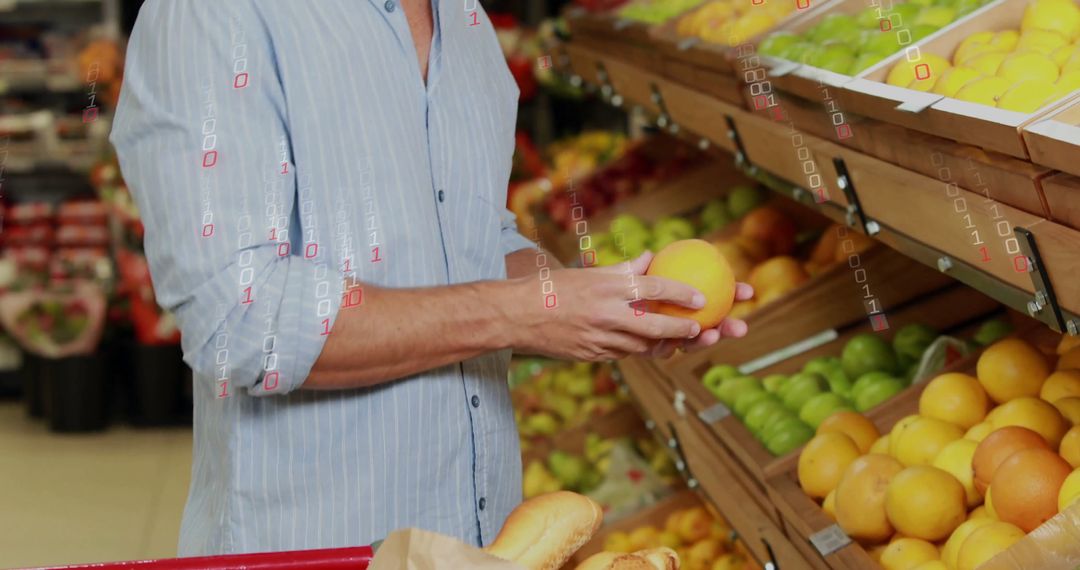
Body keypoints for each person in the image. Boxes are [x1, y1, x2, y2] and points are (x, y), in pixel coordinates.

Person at [110, 0, 753, 557]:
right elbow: (241, 319)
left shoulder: (465, 22)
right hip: (320, 546)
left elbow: (472, 240)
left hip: (484, 544)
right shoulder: (212, 16)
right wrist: (524, 313)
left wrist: (600, 302)